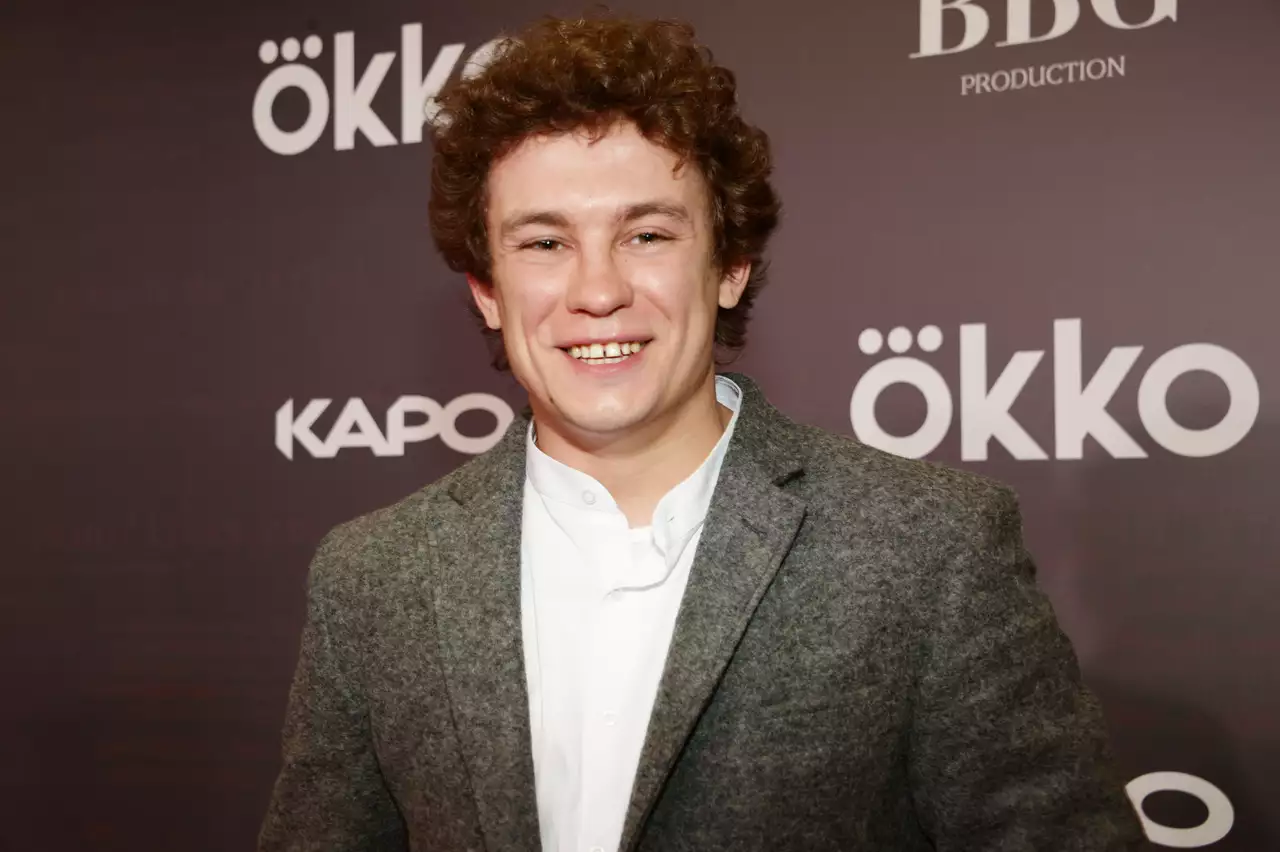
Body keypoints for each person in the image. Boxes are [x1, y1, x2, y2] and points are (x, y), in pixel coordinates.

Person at [259, 14, 1145, 852]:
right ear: (487, 291)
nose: (597, 291)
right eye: (544, 244)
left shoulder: (929, 549)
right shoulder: (371, 578)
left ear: (730, 267)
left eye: (646, 234)